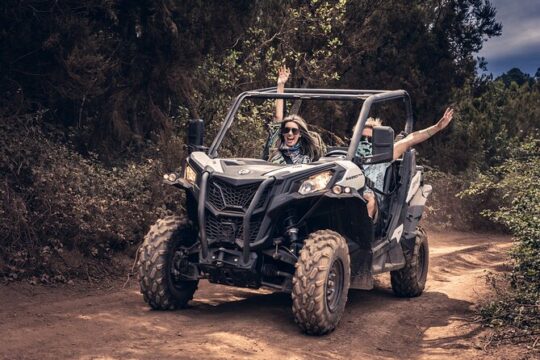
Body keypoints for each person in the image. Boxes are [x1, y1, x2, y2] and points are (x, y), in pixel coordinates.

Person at [359, 108, 454, 219]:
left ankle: (363, 233)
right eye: (361, 138)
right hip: (349, 195)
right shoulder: (348, 156)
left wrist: (437, 127)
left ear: (377, 141)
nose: (365, 142)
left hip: (373, 200)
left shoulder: (384, 156)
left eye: (370, 139)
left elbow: (411, 139)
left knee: (369, 199)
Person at [267, 66, 323, 164]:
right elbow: (278, 117)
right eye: (286, 130)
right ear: (282, 132)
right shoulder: (276, 147)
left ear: (300, 134)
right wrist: (280, 85)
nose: (290, 133)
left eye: (294, 131)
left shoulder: (308, 154)